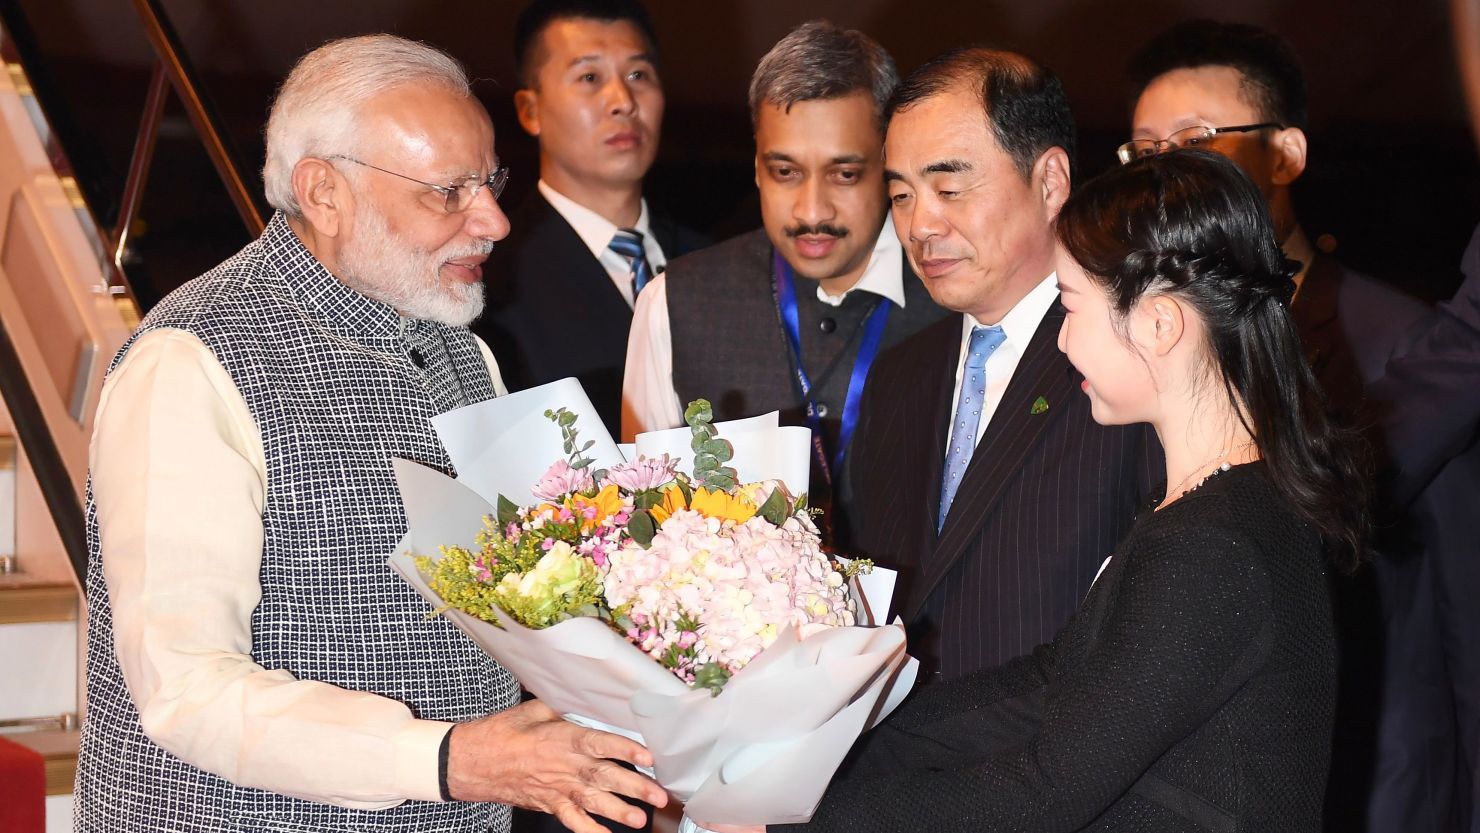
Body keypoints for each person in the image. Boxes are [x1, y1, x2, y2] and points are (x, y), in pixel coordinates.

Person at [74, 35, 664, 833]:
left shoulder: (464, 347)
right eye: (447, 192)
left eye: (488, 182)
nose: (492, 219)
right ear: (323, 193)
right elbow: (186, 691)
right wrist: (449, 760)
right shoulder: (189, 358)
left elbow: (523, 602)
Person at [710, 148, 1365, 833]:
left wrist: (788, 822)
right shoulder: (1222, 508)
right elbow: (1049, 685)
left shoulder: (1213, 544)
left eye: (1071, 307)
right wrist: (821, 740)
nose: (1061, 341)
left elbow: (1044, 789)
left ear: (1161, 323)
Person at [1126, 21, 1480, 832]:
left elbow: (1462, 607)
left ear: (1285, 153)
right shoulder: (1132, 356)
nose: (1162, 172)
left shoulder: (1396, 338)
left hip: (1375, 784)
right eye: (1143, 149)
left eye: (1194, 140)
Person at [844, 48, 1158, 680]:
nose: (919, 225)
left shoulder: (1135, 358)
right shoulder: (898, 375)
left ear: (1050, 182)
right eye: (901, 195)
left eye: (950, 188)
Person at [622, 20, 948, 546]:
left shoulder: (959, 301)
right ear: (755, 166)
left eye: (844, 174)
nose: (812, 210)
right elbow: (645, 526)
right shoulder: (673, 302)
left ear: (890, 166)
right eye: (786, 172)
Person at [475, 0, 704, 438]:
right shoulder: (491, 284)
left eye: (638, 75)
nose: (623, 101)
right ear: (530, 110)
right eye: (589, 77)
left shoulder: (717, 263)